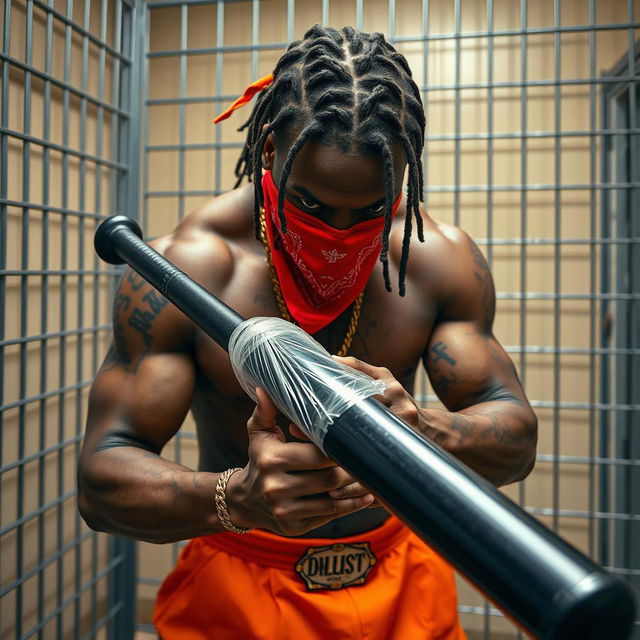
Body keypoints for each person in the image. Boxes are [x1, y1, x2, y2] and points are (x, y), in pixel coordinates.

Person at [78, 25, 537, 640]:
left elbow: (516, 439)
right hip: (243, 580)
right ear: (269, 149)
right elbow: (101, 480)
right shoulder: (190, 270)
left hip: (401, 574)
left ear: (404, 173)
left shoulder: (436, 261)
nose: (338, 235)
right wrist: (235, 498)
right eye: (312, 206)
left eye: (370, 211)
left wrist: (425, 432)